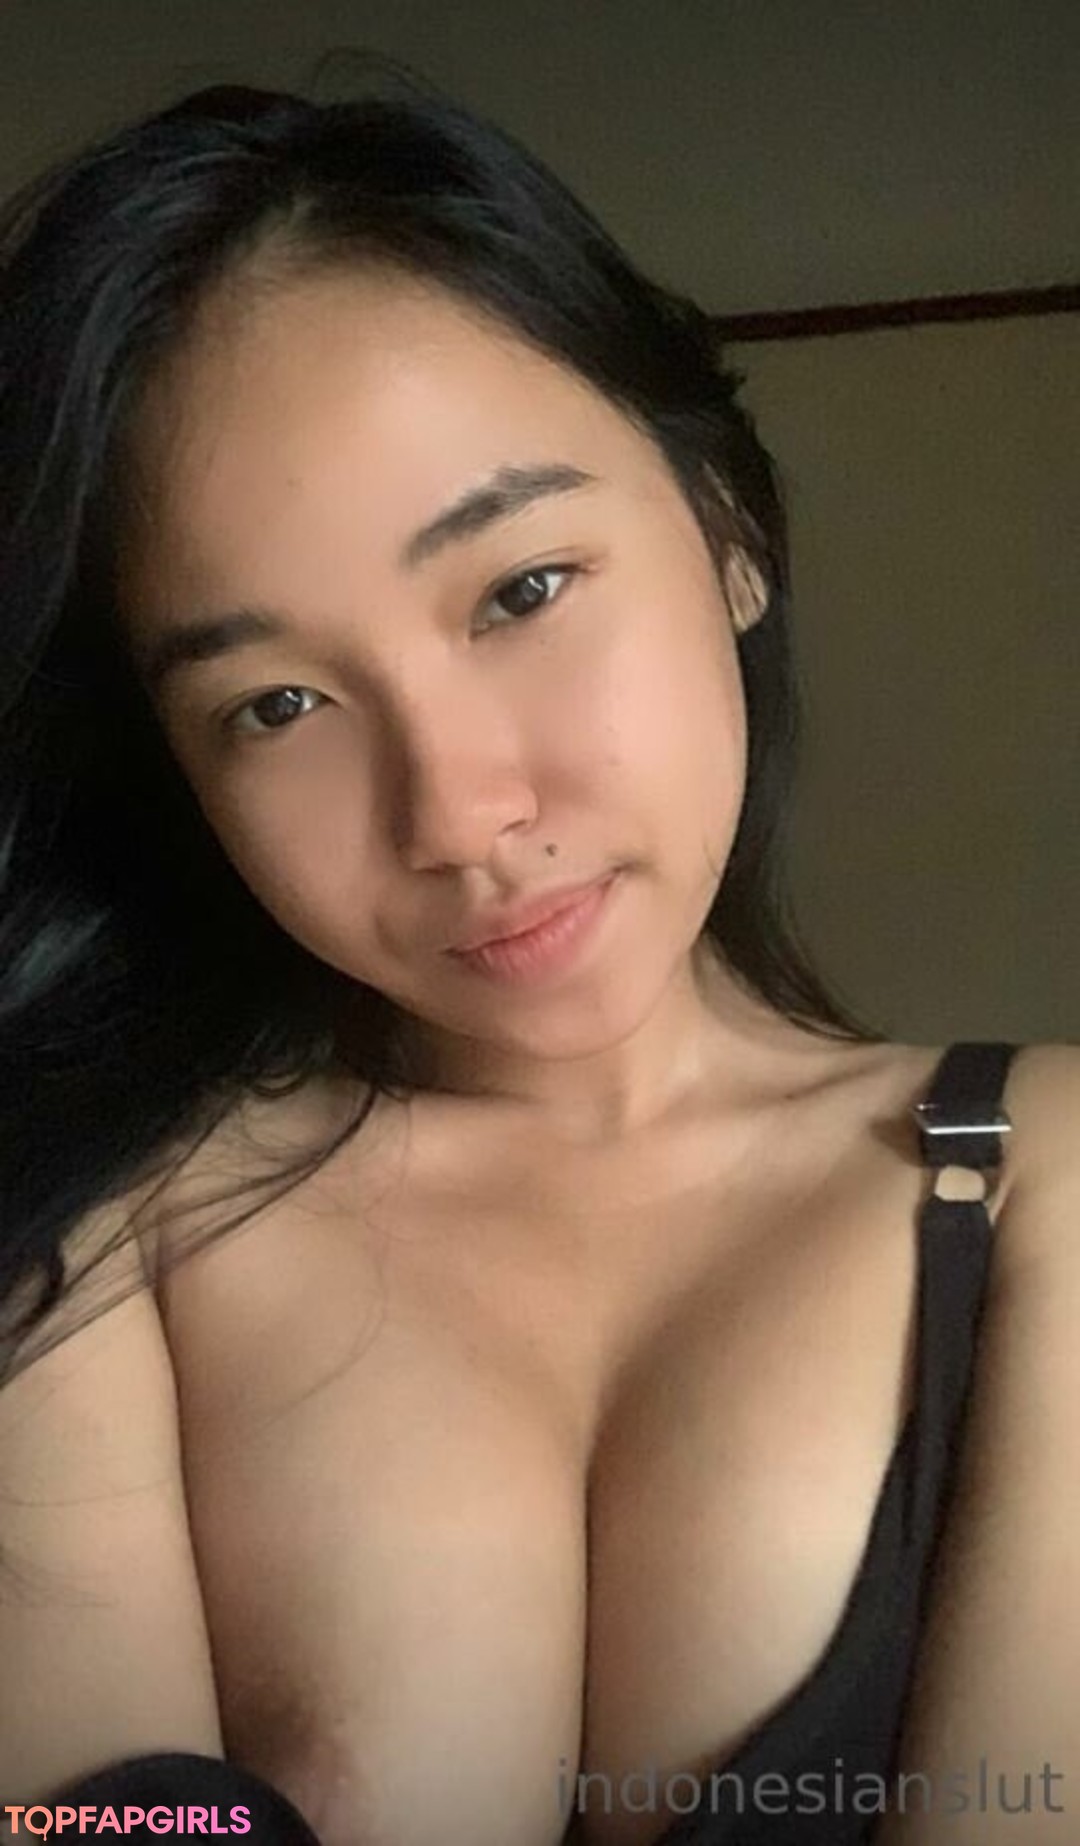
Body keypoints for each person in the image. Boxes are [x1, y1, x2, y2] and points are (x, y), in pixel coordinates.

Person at [0, 67, 1076, 1846]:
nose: (458, 812)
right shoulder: (89, 1228)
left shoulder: (1040, 1182)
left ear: (729, 529)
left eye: (519, 589)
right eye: (277, 703)